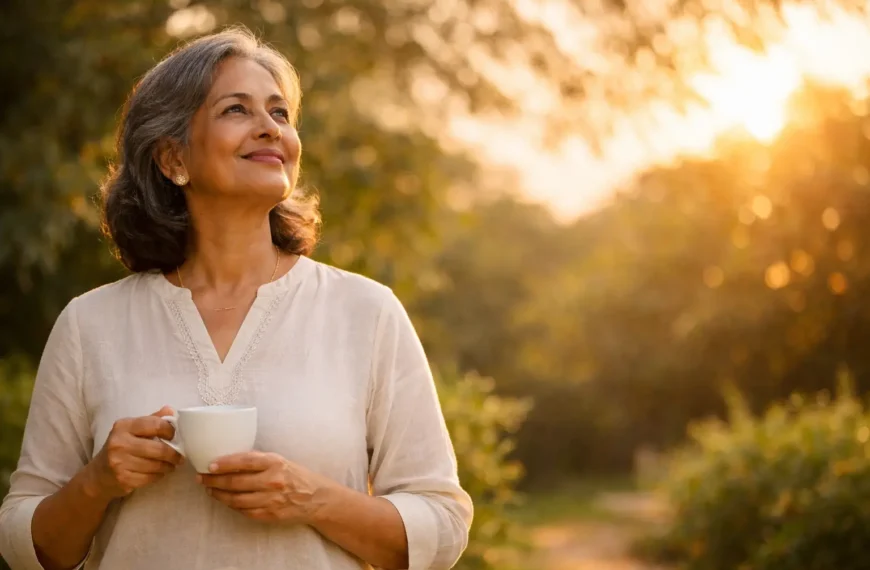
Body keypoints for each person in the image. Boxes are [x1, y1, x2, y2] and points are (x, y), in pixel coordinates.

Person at [0, 26, 472, 570]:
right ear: (172, 158)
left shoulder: (365, 312)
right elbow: (24, 543)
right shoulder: (91, 324)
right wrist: (96, 482)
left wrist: (311, 498)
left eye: (280, 113)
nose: (271, 129)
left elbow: (442, 524)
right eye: (236, 110)